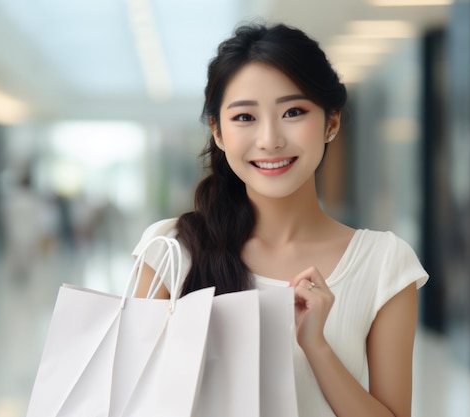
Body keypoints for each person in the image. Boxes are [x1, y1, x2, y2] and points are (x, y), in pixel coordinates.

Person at [131, 23, 429, 416]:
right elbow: (129, 395)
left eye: (293, 112)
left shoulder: (384, 263)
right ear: (217, 132)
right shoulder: (171, 250)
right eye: (244, 118)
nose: (270, 139)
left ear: (332, 122)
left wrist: (316, 346)